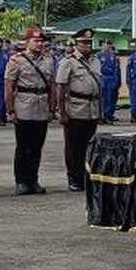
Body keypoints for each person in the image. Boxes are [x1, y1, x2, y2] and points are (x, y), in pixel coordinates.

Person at [6, 27, 55, 195]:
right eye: (36, 41)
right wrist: (11, 109)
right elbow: (9, 85)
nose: (40, 44)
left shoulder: (48, 61)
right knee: (23, 147)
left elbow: (51, 86)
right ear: (27, 42)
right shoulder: (17, 60)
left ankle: (33, 179)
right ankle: (21, 181)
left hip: (41, 107)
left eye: (42, 41)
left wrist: (51, 108)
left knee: (37, 147)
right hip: (24, 106)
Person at [57, 28, 102, 192]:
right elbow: (61, 88)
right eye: (84, 42)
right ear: (76, 44)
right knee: (74, 146)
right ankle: (74, 177)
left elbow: (98, 87)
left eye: (89, 42)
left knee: (90, 146)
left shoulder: (96, 61)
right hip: (75, 108)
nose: (88, 45)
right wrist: (62, 111)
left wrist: (100, 110)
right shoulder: (68, 62)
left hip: (92, 109)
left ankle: (86, 175)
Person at [95, 39, 120, 124]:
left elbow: (115, 69)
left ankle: (107, 115)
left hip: (110, 78)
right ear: (102, 45)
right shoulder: (98, 55)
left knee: (110, 97)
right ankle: (100, 116)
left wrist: (116, 80)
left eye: (109, 44)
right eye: (106, 44)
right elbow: (96, 68)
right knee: (102, 98)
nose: (108, 46)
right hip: (102, 77)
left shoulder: (112, 56)